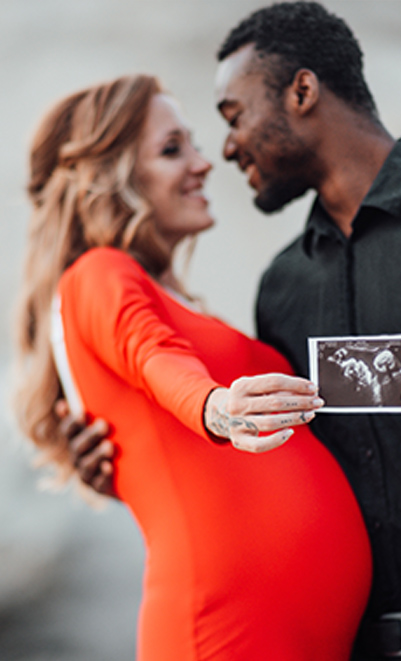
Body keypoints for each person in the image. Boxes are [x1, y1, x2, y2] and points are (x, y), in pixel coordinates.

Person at [64, 3, 401, 659]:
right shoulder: (282, 289)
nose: (226, 147)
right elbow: (281, 465)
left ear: (302, 90)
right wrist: (121, 462)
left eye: (234, 116)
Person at [13, 73, 372, 661]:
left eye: (194, 144)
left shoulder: (181, 300)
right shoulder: (98, 274)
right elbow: (150, 352)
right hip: (225, 632)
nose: (204, 164)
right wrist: (218, 407)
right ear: (113, 176)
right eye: (172, 149)